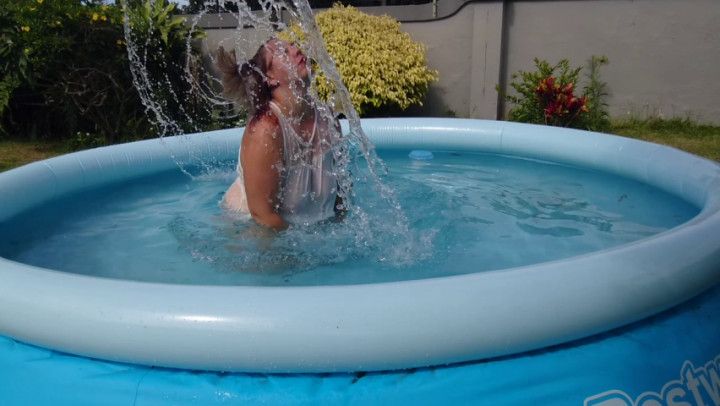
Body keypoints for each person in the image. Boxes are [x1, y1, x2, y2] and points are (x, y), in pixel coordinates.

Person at [215, 39, 344, 231]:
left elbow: (340, 193)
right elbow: (263, 216)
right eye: (283, 52)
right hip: (248, 232)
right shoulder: (266, 130)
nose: (295, 50)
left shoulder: (328, 119)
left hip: (305, 235)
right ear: (270, 78)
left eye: (293, 44)